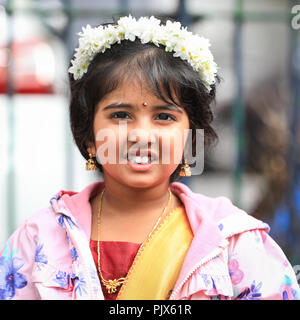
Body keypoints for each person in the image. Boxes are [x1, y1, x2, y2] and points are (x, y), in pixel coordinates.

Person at [0, 15, 299, 300]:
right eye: (120, 115)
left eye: (164, 116)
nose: (142, 135)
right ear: (88, 136)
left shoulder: (233, 242)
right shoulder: (38, 240)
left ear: (190, 137)